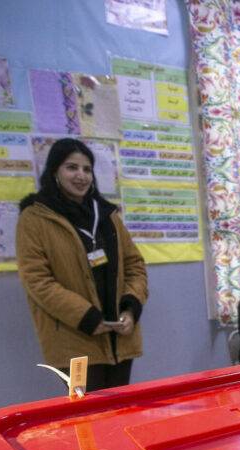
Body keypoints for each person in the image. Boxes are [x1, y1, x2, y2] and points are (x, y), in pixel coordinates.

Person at [16, 138, 148, 391]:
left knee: (118, 412)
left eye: (87, 169)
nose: (81, 176)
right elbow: (37, 281)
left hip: (120, 338)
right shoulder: (34, 217)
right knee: (85, 417)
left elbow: (135, 266)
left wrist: (131, 308)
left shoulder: (108, 216)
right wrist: (86, 317)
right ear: (55, 171)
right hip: (75, 339)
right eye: (72, 167)